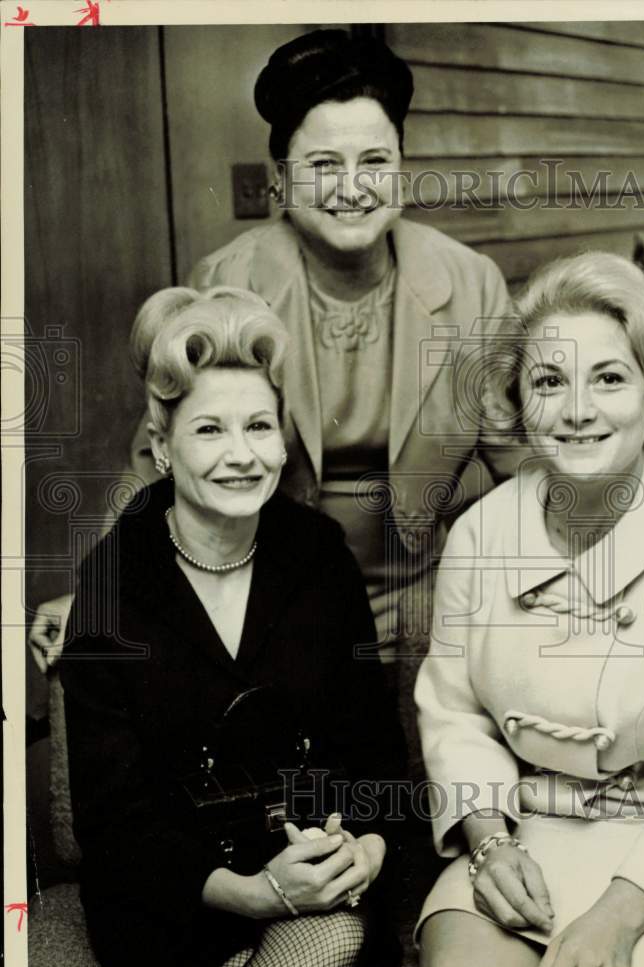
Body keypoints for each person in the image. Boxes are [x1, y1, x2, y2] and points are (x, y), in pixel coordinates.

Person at [29, 27, 520, 672]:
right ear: (283, 180)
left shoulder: (470, 283)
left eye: (375, 161)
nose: (353, 188)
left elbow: (522, 462)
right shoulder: (229, 283)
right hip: (274, 604)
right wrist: (95, 597)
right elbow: (157, 463)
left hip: (429, 598)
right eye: (323, 166)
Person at [414, 251, 644, 967]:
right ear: (520, 402)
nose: (577, 411)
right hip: (527, 831)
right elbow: (454, 714)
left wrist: (615, 916)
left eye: (608, 378)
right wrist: (489, 842)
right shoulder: (481, 535)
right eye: (549, 382)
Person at [60, 286, 406, 967]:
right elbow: (113, 821)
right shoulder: (112, 583)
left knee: (334, 934)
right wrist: (253, 896)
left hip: (319, 873)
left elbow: (374, 752)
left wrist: (363, 851)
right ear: (162, 446)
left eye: (259, 426)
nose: (242, 455)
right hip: (178, 896)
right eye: (209, 430)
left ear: (284, 436)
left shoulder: (320, 556)